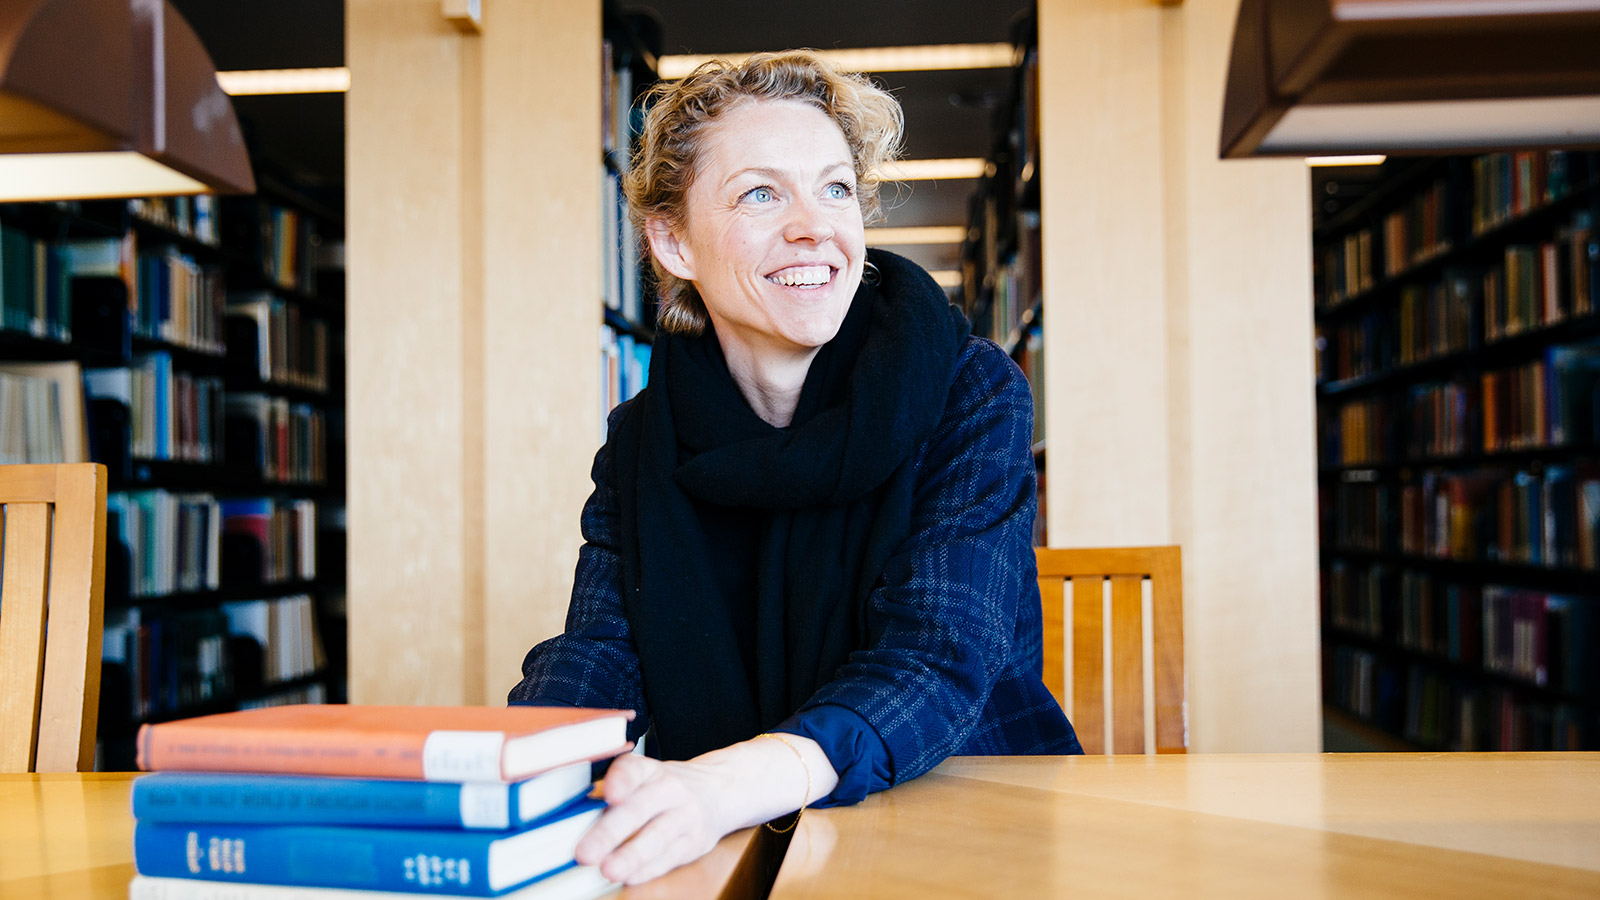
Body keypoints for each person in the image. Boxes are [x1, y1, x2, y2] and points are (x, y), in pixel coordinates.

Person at [508, 49, 1080, 885]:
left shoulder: (971, 390)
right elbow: (600, 650)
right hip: (733, 830)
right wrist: (512, 770)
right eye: (761, 193)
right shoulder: (640, 439)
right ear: (673, 241)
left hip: (963, 815)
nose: (816, 225)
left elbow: (938, 656)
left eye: (836, 187)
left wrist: (728, 783)